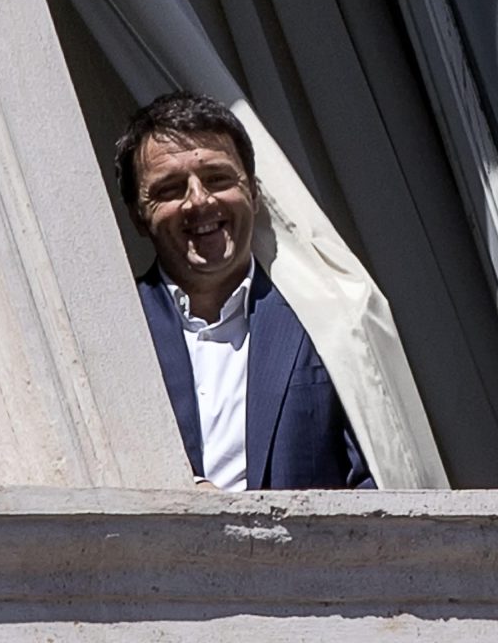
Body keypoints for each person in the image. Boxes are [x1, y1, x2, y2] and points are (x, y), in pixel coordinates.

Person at [115, 91, 373, 490]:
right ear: (137, 216)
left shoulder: (323, 318)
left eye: (218, 179)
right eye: (170, 189)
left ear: (253, 192)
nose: (199, 201)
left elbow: (375, 479)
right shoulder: (113, 335)